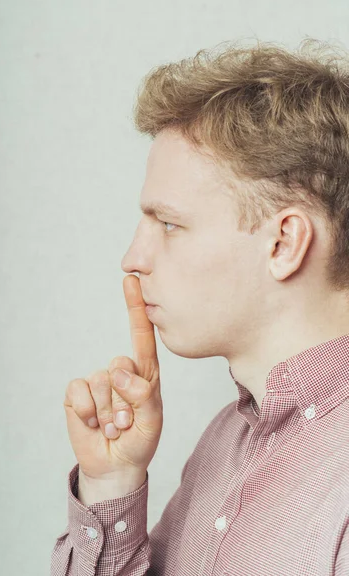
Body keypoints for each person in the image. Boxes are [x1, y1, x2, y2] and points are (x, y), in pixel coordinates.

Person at [51, 38, 349, 575]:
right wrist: (111, 485)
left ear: (284, 243)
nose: (132, 258)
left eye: (169, 224)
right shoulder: (223, 443)